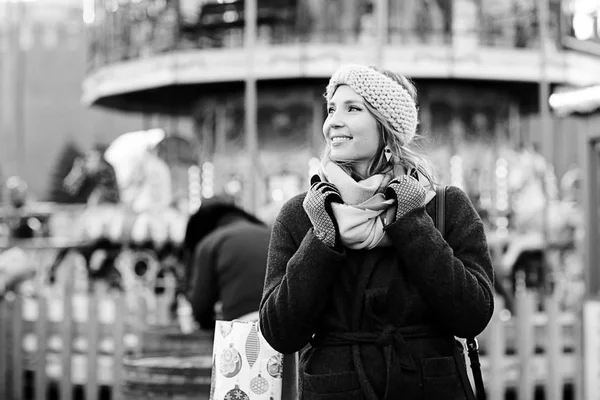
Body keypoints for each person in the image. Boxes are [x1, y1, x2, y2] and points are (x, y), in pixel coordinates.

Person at [259, 64, 495, 400]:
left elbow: (473, 314)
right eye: (331, 109)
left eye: (353, 108)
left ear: (387, 127)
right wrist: (322, 239)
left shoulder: (444, 206)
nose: (332, 122)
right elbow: (280, 332)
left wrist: (412, 221)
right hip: (337, 388)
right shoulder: (304, 213)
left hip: (429, 388)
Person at [183, 200, 270, 330]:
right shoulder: (274, 233)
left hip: (241, 332)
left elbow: (201, 309)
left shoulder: (211, 243)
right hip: (289, 331)